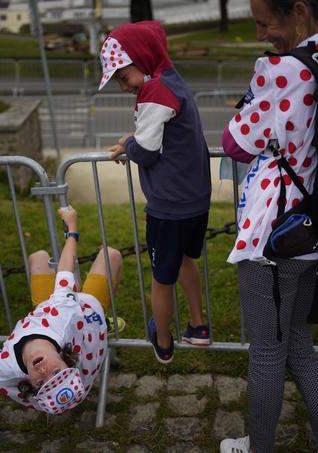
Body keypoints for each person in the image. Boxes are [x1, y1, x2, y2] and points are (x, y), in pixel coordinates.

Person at [218, 0, 318, 451]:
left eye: (263, 22)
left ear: (297, 10)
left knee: (267, 356)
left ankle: (259, 449)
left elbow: (234, 142)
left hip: (271, 237)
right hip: (316, 227)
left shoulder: (280, 70)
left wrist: (251, 104)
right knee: (300, 349)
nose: (260, 35)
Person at [100, 21, 212, 363]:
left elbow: (147, 151)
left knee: (162, 279)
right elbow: (158, 135)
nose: (123, 87)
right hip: (196, 199)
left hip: (169, 205)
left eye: (123, 77)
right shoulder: (172, 81)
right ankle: (198, 325)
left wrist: (129, 146)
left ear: (143, 59)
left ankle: (162, 341)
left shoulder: (152, 92)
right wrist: (132, 140)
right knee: (186, 260)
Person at [0, 206, 123, 414]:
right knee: (111, 255)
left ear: (30, 385)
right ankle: (104, 323)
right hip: (87, 313)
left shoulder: (5, 367)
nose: (44, 371)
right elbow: (65, 271)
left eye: (41, 383)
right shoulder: (63, 316)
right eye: (57, 371)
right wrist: (71, 228)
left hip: (46, 313)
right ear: (66, 357)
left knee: (38, 258)